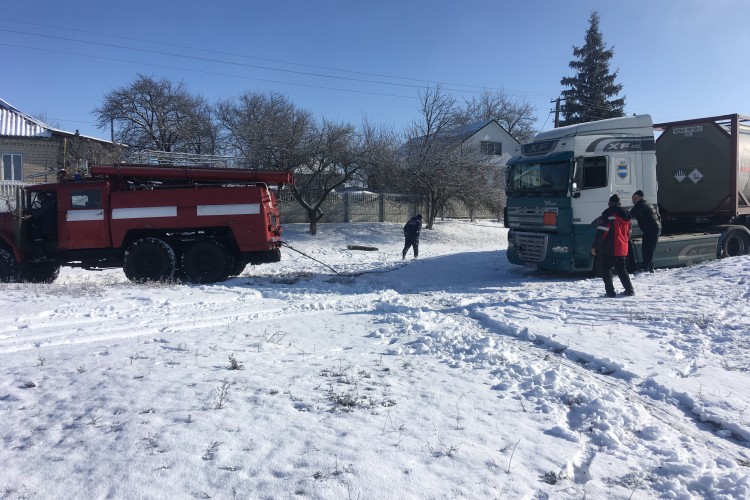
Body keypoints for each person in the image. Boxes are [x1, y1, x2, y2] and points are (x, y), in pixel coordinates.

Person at [591, 194, 635, 298]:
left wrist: (594, 247)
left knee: (606, 270)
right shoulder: (627, 217)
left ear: (609, 204)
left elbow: (601, 234)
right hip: (622, 247)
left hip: (610, 248)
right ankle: (629, 290)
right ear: (620, 204)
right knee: (622, 269)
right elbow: (629, 233)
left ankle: (610, 292)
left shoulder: (607, 216)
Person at [630, 190, 661, 273]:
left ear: (640, 197)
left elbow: (629, 215)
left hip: (652, 229)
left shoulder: (641, 205)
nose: (633, 200)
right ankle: (649, 266)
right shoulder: (647, 204)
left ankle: (646, 267)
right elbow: (658, 216)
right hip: (651, 229)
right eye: (632, 199)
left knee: (649, 248)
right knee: (646, 248)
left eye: (635, 198)